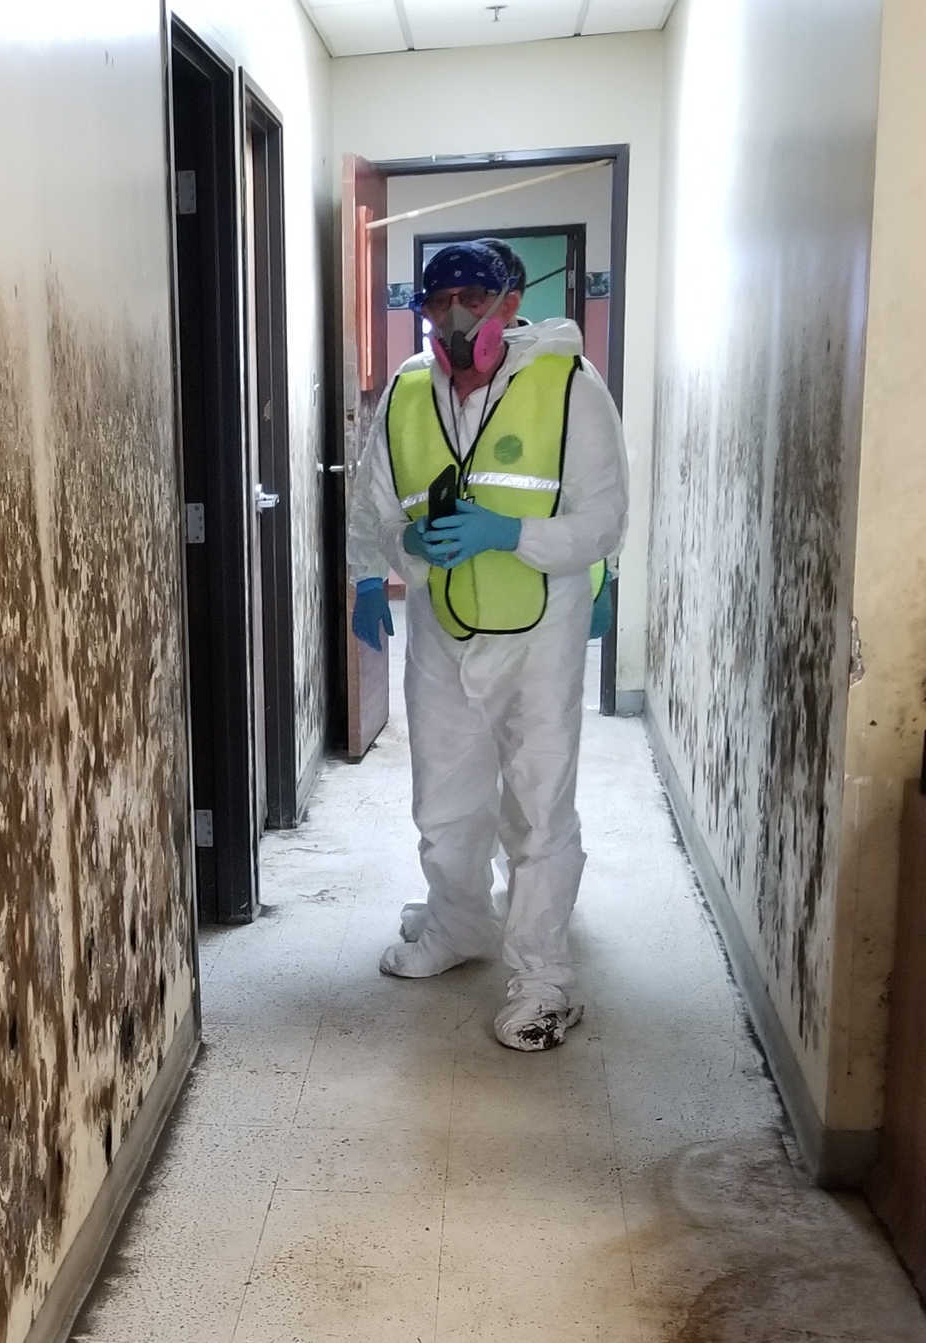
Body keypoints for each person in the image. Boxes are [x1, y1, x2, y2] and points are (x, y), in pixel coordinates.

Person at [348, 240, 627, 1051]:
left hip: (540, 632)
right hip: (442, 630)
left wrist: (512, 532)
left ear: (510, 304)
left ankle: (545, 979)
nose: (458, 315)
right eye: (440, 301)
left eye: (476, 297)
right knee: (444, 795)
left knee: (538, 803)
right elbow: (375, 506)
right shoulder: (407, 392)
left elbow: (604, 519)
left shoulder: (569, 387)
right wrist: (381, 568)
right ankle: (458, 923)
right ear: (422, 311)